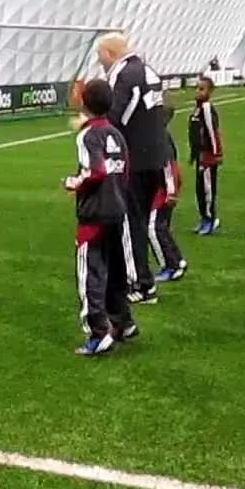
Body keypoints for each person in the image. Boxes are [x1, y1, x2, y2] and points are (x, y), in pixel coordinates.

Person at [63, 79, 138, 356]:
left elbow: (96, 171)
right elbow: (124, 169)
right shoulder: (116, 134)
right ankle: (123, 322)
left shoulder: (87, 136)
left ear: (84, 102)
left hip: (94, 214)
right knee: (115, 271)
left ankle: (98, 331)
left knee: (90, 272)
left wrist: (74, 182)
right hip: (118, 210)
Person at [96, 32, 169, 305]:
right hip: (156, 156)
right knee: (139, 220)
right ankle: (143, 279)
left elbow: (115, 118)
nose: (98, 59)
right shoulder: (148, 70)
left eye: (100, 54)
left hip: (134, 161)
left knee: (129, 222)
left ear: (110, 53)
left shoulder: (123, 74)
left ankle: (139, 283)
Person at [151, 105, 186, 282]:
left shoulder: (160, 139)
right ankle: (178, 260)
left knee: (154, 228)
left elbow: (168, 165)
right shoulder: (161, 136)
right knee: (161, 227)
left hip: (163, 189)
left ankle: (169, 266)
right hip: (163, 186)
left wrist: (171, 192)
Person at [188, 77, 224, 235]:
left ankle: (210, 219)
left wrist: (216, 153)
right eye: (197, 88)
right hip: (200, 156)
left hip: (208, 157)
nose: (198, 91)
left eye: (201, 89)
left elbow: (212, 131)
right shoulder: (197, 108)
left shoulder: (207, 108)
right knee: (199, 190)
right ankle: (203, 217)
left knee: (208, 190)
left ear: (209, 92)